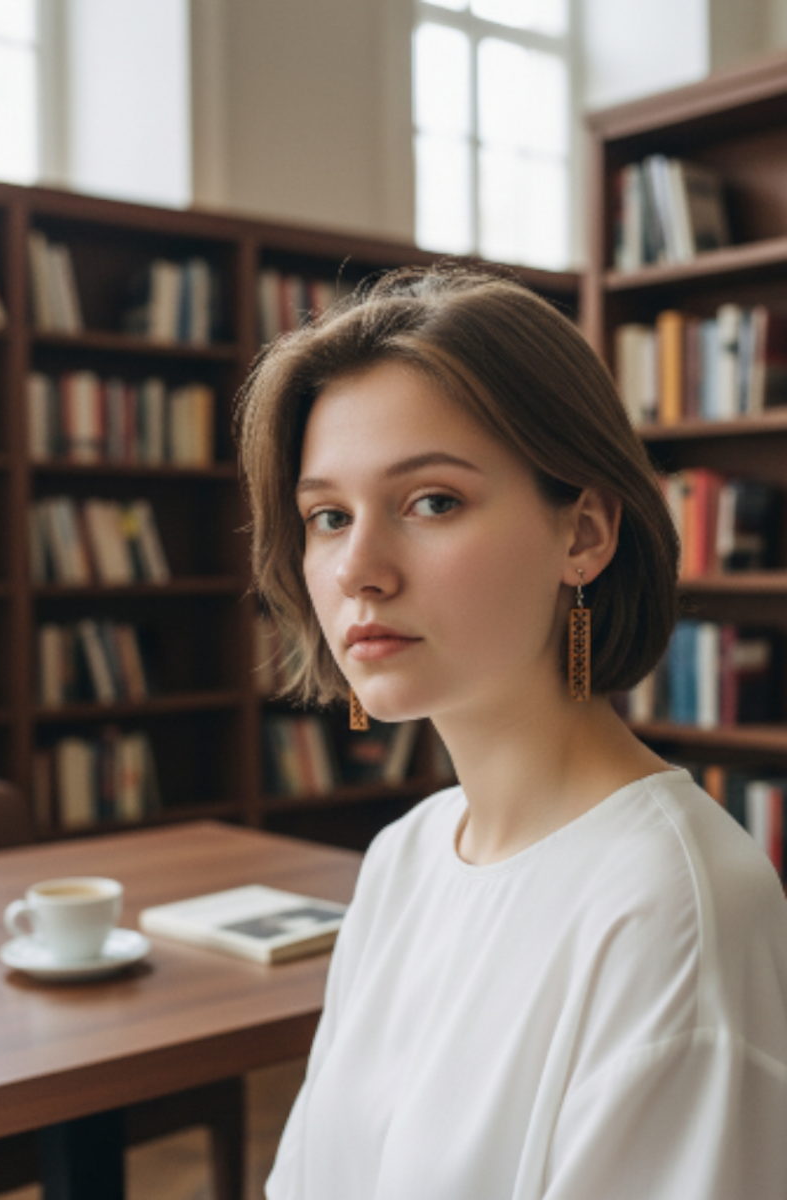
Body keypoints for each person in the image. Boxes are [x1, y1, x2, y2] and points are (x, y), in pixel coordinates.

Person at [236, 265, 787, 1199]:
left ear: (584, 535)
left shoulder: (674, 912)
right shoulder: (403, 859)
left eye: (432, 502)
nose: (357, 569)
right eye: (327, 516)